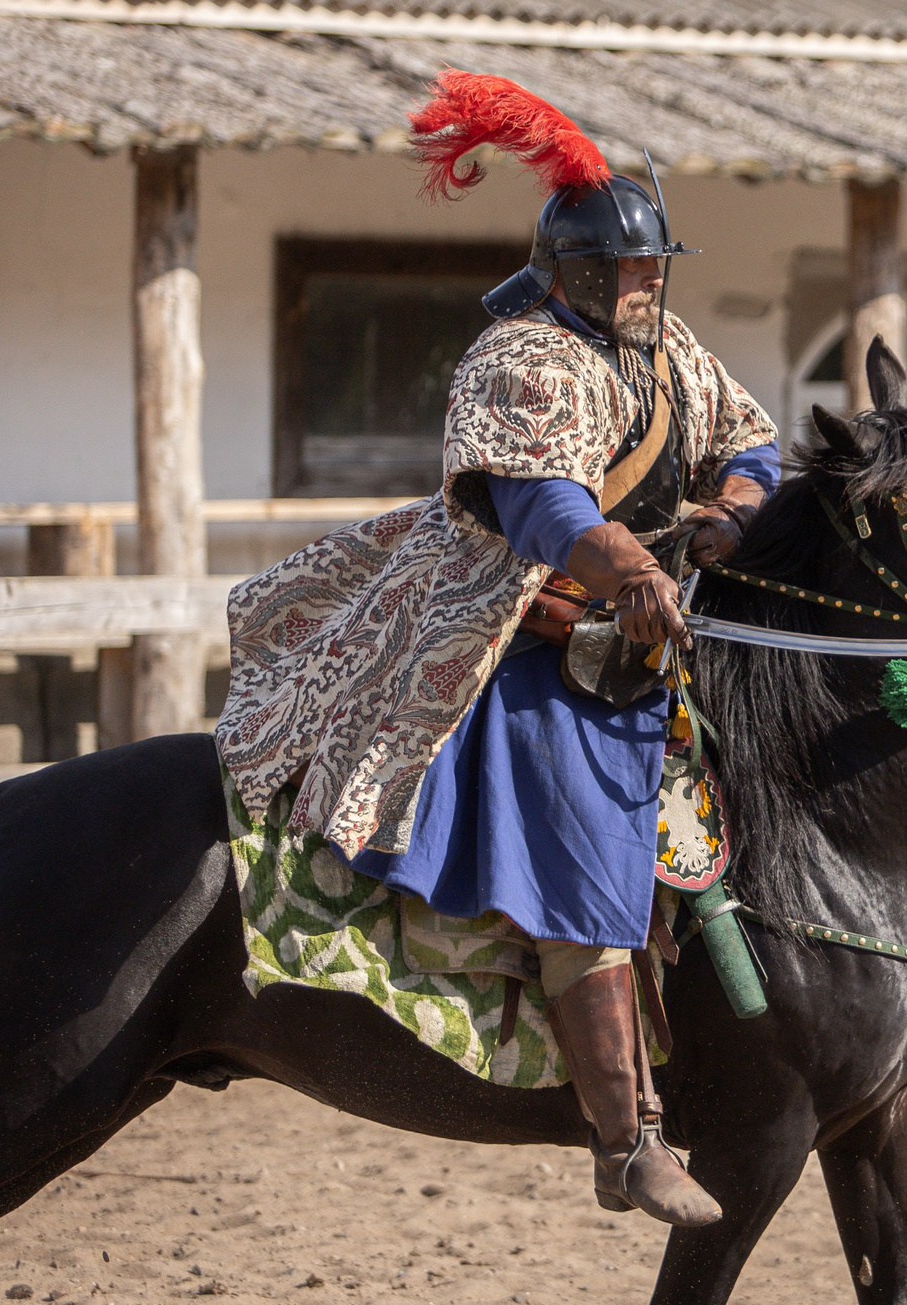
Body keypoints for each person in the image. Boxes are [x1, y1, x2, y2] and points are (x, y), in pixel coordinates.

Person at [215, 73, 778, 1228]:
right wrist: (633, 570)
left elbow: (755, 441)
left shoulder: (668, 350)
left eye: (652, 266)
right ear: (566, 272)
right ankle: (626, 1141)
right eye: (621, 269)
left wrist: (734, 501)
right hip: (515, 635)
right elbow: (543, 509)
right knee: (585, 859)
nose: (640, 282)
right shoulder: (519, 359)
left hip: (650, 632)